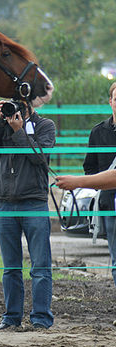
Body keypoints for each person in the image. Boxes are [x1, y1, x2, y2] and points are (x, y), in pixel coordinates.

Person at [0, 99, 56, 331]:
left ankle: (41, 318)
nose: (17, 108)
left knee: (40, 266)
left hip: (34, 202)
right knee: (10, 268)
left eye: (21, 103)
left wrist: (19, 132)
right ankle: (11, 318)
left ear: (31, 104)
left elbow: (39, 157)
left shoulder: (46, 126)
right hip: (5, 203)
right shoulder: (1, 125)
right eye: (13, 103)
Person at [79, 82, 116, 286]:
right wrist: (102, 184)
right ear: (110, 102)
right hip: (111, 205)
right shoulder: (98, 133)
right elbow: (89, 167)